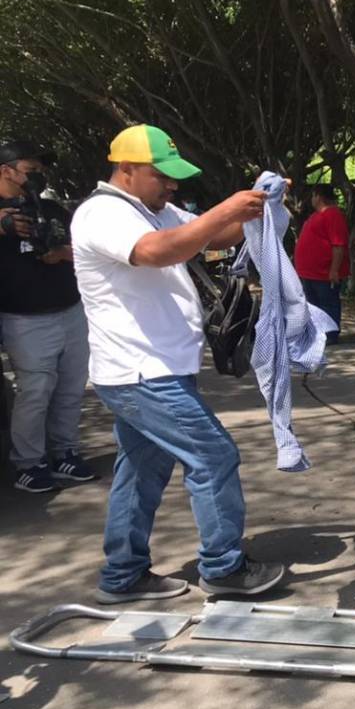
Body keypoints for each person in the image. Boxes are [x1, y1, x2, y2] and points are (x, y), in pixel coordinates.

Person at [71, 124, 286, 602]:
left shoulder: (155, 209)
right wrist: (226, 209)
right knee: (213, 456)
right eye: (161, 175)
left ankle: (122, 574)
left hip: (156, 366)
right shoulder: (102, 213)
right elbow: (155, 253)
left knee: (141, 470)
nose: (171, 185)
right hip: (140, 371)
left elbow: (212, 236)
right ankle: (223, 568)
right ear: (126, 169)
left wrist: (257, 207)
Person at [0, 140, 95, 493]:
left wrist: (59, 253)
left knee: (71, 388)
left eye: (40, 169)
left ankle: (65, 452)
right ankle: (29, 462)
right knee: (35, 391)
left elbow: (83, 249)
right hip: (24, 317)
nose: (37, 176)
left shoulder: (53, 208)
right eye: (30, 169)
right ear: (6, 170)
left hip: (70, 310)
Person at [293, 182, 350, 344]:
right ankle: (317, 332)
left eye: (313, 195)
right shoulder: (315, 215)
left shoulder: (333, 215)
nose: (311, 199)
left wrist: (334, 270)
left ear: (319, 196)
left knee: (328, 303)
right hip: (310, 273)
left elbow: (338, 244)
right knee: (314, 305)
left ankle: (330, 334)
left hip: (324, 272)